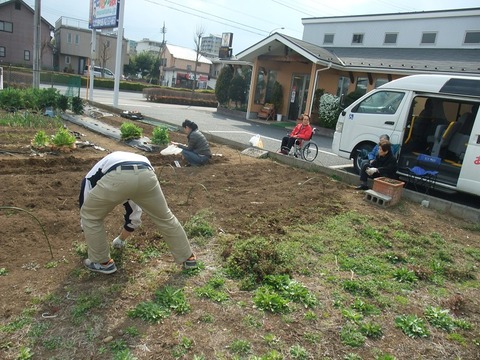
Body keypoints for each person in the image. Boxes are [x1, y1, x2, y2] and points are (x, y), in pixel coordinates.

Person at [79, 151, 197, 274]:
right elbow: (134, 212)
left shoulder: (90, 177)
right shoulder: (127, 158)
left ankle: (102, 262)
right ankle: (188, 258)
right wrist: (122, 238)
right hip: (146, 173)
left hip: (118, 175)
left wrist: (87, 229)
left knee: (90, 216)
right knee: (165, 217)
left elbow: (85, 209)